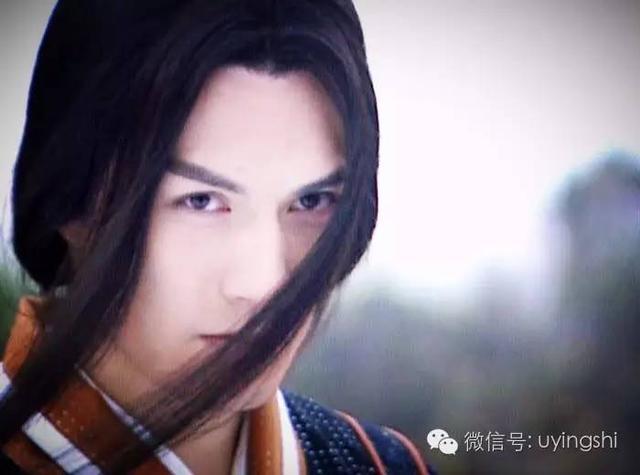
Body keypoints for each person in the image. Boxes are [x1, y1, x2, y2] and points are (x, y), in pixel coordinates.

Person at [0, 0, 437, 473]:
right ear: (71, 201)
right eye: (202, 201)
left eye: (311, 201)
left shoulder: (383, 465)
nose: (263, 286)